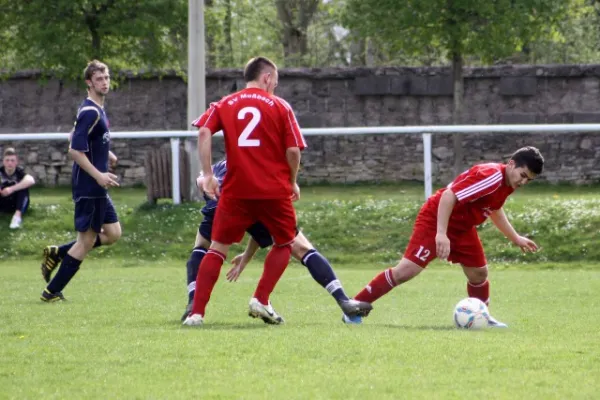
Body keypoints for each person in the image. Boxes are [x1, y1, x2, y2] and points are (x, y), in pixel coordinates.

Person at [347, 146, 545, 326]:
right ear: (511, 164)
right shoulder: (491, 176)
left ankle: (482, 316)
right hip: (436, 218)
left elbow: (494, 208)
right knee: (405, 271)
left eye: (529, 179)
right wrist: (441, 234)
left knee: (479, 273)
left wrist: (515, 237)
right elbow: (448, 196)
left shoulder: (507, 182)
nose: (524, 181)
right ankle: (353, 308)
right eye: (523, 175)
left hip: (462, 226)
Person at [183, 56, 306, 326]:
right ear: (267, 78)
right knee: (285, 242)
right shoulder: (280, 105)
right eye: (275, 80)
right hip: (273, 190)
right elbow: (294, 150)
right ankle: (261, 298)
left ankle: (196, 314)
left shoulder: (225, 103)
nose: (275, 85)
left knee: (216, 249)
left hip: (236, 190)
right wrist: (292, 181)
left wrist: (208, 175)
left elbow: (204, 133)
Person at [181, 159, 372, 322]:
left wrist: (208, 184)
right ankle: (342, 299)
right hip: (253, 197)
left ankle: (193, 306)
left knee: (203, 247)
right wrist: (291, 181)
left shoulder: (227, 161)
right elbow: (260, 213)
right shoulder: (269, 158)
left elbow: (201, 180)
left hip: (222, 199)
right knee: (298, 246)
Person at [39, 60, 121, 302]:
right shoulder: (90, 111)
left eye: (106, 78)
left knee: (113, 233)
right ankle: (52, 291)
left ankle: (58, 252)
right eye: (99, 79)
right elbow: (74, 149)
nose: (104, 83)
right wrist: (99, 175)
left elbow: (74, 135)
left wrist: (108, 154)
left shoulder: (95, 108)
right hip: (90, 186)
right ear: (89, 82)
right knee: (85, 242)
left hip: (96, 187)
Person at [0, 147, 35, 229]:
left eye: (12, 160)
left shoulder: (20, 172)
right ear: (3, 162)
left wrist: (11, 189)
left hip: (16, 204)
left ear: (16, 162)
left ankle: (17, 217)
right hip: (2, 201)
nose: (10, 163)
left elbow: (31, 180)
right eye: (7, 160)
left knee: (23, 187)